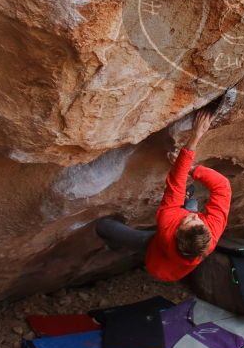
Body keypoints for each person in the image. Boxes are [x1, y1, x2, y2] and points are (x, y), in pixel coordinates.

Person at [96, 108, 231, 281]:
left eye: (189, 220)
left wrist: (195, 137)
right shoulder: (211, 231)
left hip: (155, 251)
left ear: (176, 233)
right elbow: (222, 187)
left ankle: (114, 244)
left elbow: (175, 183)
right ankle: (188, 200)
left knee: (104, 227)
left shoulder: (167, 224)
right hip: (174, 256)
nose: (196, 217)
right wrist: (192, 170)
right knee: (190, 199)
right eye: (198, 221)